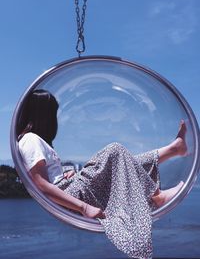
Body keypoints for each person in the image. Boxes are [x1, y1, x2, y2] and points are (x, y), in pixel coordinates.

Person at [18, 89, 187, 259]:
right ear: (42, 115)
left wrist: (65, 175)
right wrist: (83, 207)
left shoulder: (34, 140)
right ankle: (157, 196)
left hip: (68, 190)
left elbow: (47, 179)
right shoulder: (30, 139)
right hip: (69, 196)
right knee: (114, 151)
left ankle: (174, 149)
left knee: (124, 162)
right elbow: (40, 184)